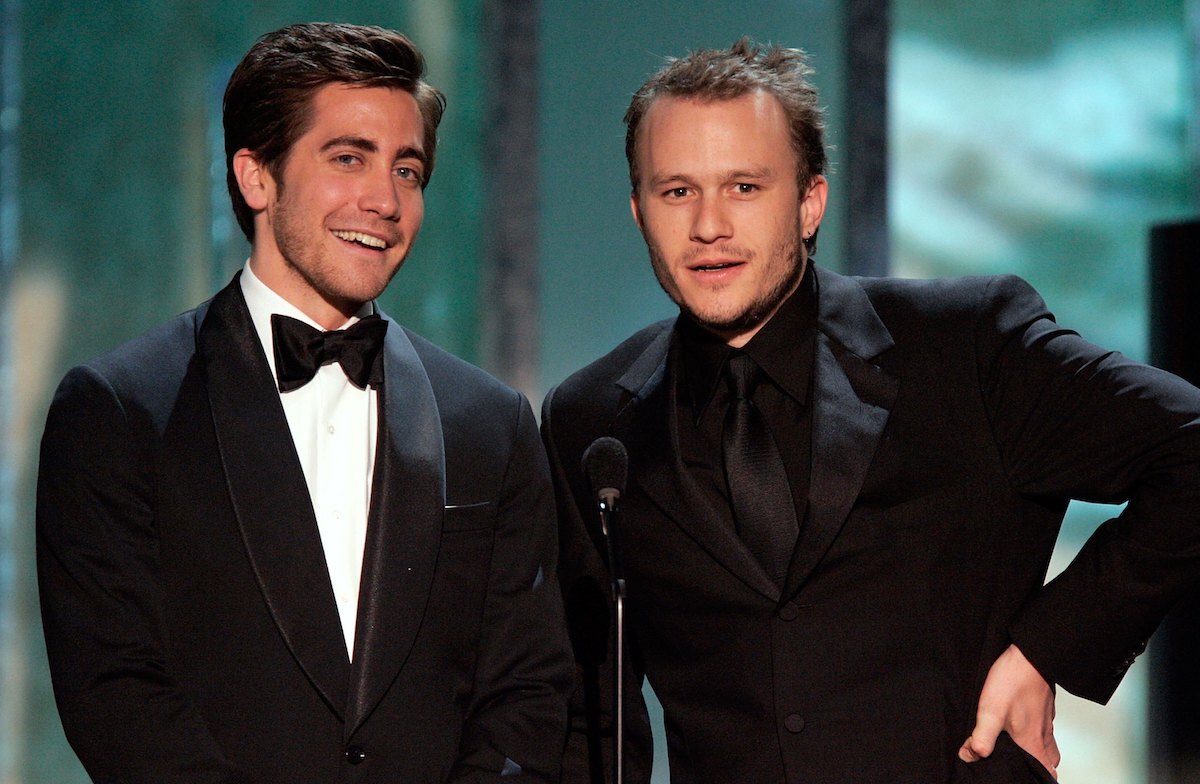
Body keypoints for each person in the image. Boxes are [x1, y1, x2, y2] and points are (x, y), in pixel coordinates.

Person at [541, 38, 1200, 783]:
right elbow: (592, 714)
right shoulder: (592, 420)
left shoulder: (966, 344)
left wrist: (1047, 647)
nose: (708, 226)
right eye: (676, 191)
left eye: (745, 188)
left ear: (810, 201)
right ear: (638, 211)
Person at [37, 22, 570, 784]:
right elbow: (115, 692)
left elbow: (529, 690)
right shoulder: (120, 411)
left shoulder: (491, 422)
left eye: (408, 170)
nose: (384, 199)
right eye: (349, 158)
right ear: (256, 177)